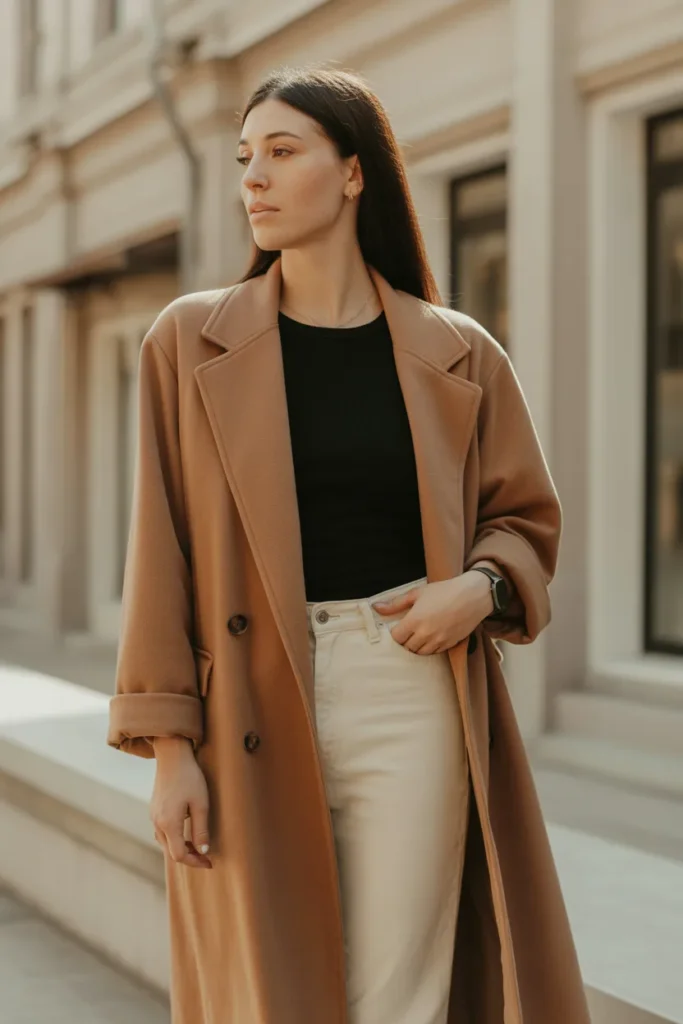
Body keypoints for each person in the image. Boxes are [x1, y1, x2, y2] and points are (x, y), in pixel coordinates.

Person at [108, 66, 590, 1024]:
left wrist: (479, 590)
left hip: (409, 689)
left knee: (395, 996)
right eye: (247, 157)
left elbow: (525, 521)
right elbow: (160, 552)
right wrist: (171, 748)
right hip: (248, 694)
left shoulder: (455, 350)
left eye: (283, 153)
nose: (255, 178)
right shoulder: (188, 340)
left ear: (355, 172)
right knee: (268, 994)